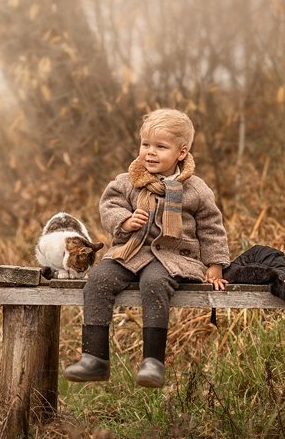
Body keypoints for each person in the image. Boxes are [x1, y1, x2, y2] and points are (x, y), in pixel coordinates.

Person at [64, 108, 230, 388]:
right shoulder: (127, 181)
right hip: (131, 251)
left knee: (154, 283)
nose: (150, 153)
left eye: (160, 147)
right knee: (99, 280)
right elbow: (109, 206)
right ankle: (95, 358)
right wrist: (125, 221)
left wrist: (215, 264)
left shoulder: (195, 189)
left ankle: (153, 362)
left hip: (174, 257)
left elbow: (211, 226)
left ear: (181, 152)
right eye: (145, 145)